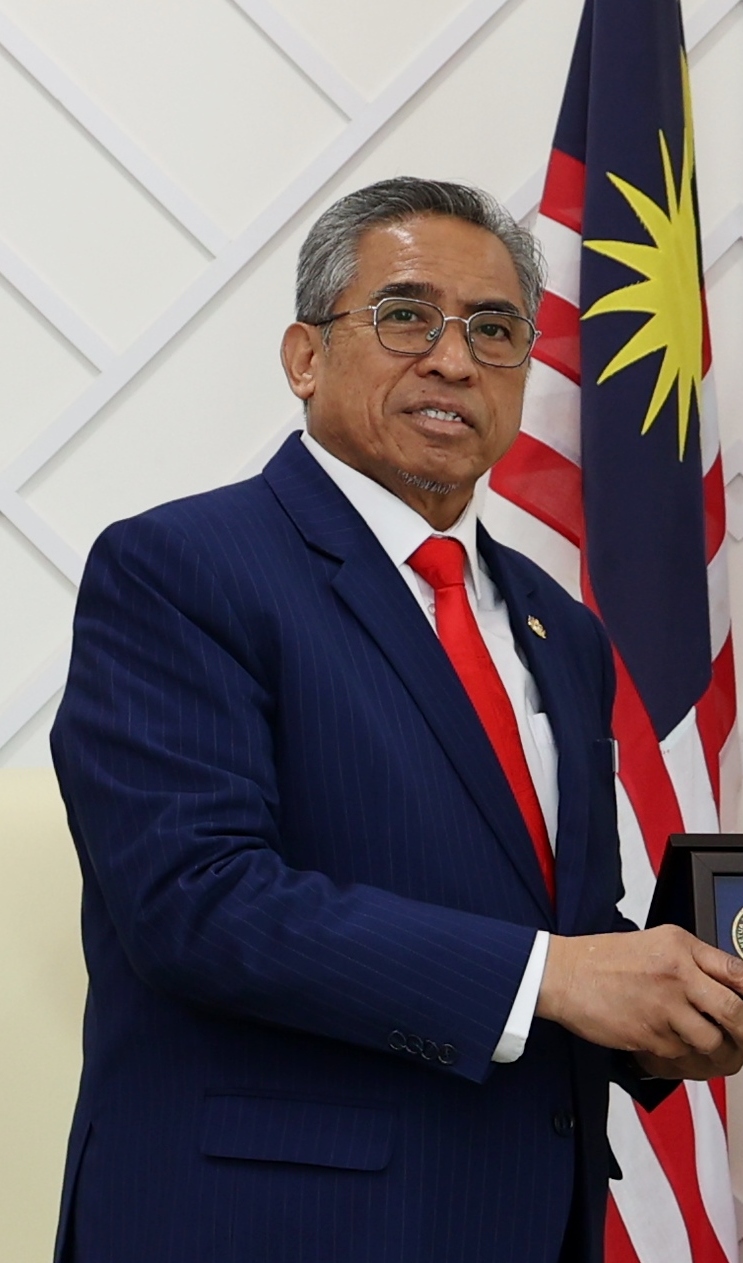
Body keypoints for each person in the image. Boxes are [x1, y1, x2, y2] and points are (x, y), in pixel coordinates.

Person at [51, 177, 743, 1263]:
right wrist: (559, 977)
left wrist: (673, 1014)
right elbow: (198, 900)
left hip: (521, 1221)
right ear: (304, 355)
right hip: (267, 1230)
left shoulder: (563, 630)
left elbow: (559, 928)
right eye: (407, 315)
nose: (455, 360)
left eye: (495, 329)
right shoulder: (178, 568)